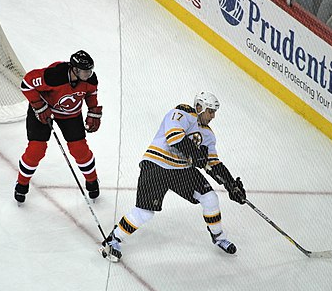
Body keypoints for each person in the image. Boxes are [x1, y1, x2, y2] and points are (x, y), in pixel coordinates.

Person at [101, 92, 246, 262]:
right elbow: (174, 137)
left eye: (215, 112)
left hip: (182, 170)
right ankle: (113, 239)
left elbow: (213, 163)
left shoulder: (207, 134)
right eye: (210, 111)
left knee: (210, 198)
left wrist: (230, 185)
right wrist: (194, 152)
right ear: (199, 107)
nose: (213, 116)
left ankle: (219, 237)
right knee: (145, 212)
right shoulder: (183, 113)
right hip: (157, 164)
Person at [14, 50, 103, 204]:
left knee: (79, 149)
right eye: (85, 71)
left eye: (90, 71)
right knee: (36, 150)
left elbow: (90, 94)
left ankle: (92, 181)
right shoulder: (54, 75)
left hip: (71, 114)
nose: (89, 74)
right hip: (44, 111)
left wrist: (93, 110)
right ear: (74, 69)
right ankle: (21, 184)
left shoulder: (90, 79)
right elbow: (26, 83)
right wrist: (39, 105)